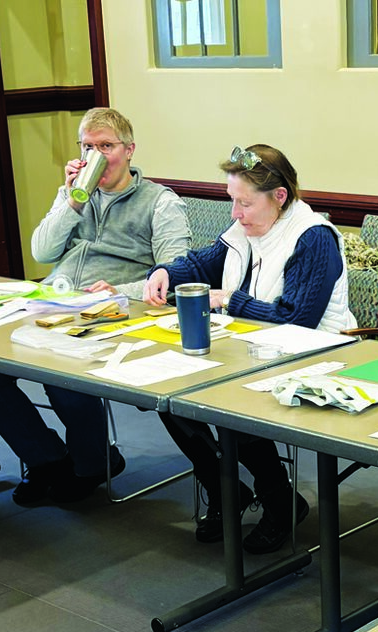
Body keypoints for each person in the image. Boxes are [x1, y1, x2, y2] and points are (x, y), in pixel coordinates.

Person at [0, 108, 189, 507]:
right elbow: (42, 251)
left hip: (112, 311)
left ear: (129, 150)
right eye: (87, 146)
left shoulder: (159, 202)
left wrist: (118, 290)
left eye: (106, 146)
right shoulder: (75, 193)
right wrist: (71, 199)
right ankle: (49, 460)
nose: (97, 154)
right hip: (53, 303)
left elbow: (177, 272)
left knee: (62, 372)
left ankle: (92, 464)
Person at [144, 143, 354, 553]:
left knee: (227, 399)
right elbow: (201, 262)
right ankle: (225, 489)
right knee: (164, 393)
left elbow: (296, 320)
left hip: (319, 355)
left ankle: (278, 501)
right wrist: (165, 271)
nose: (235, 214)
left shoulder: (313, 239)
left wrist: (228, 299)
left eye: (244, 203)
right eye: (232, 202)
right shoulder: (246, 230)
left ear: (280, 197)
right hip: (255, 348)